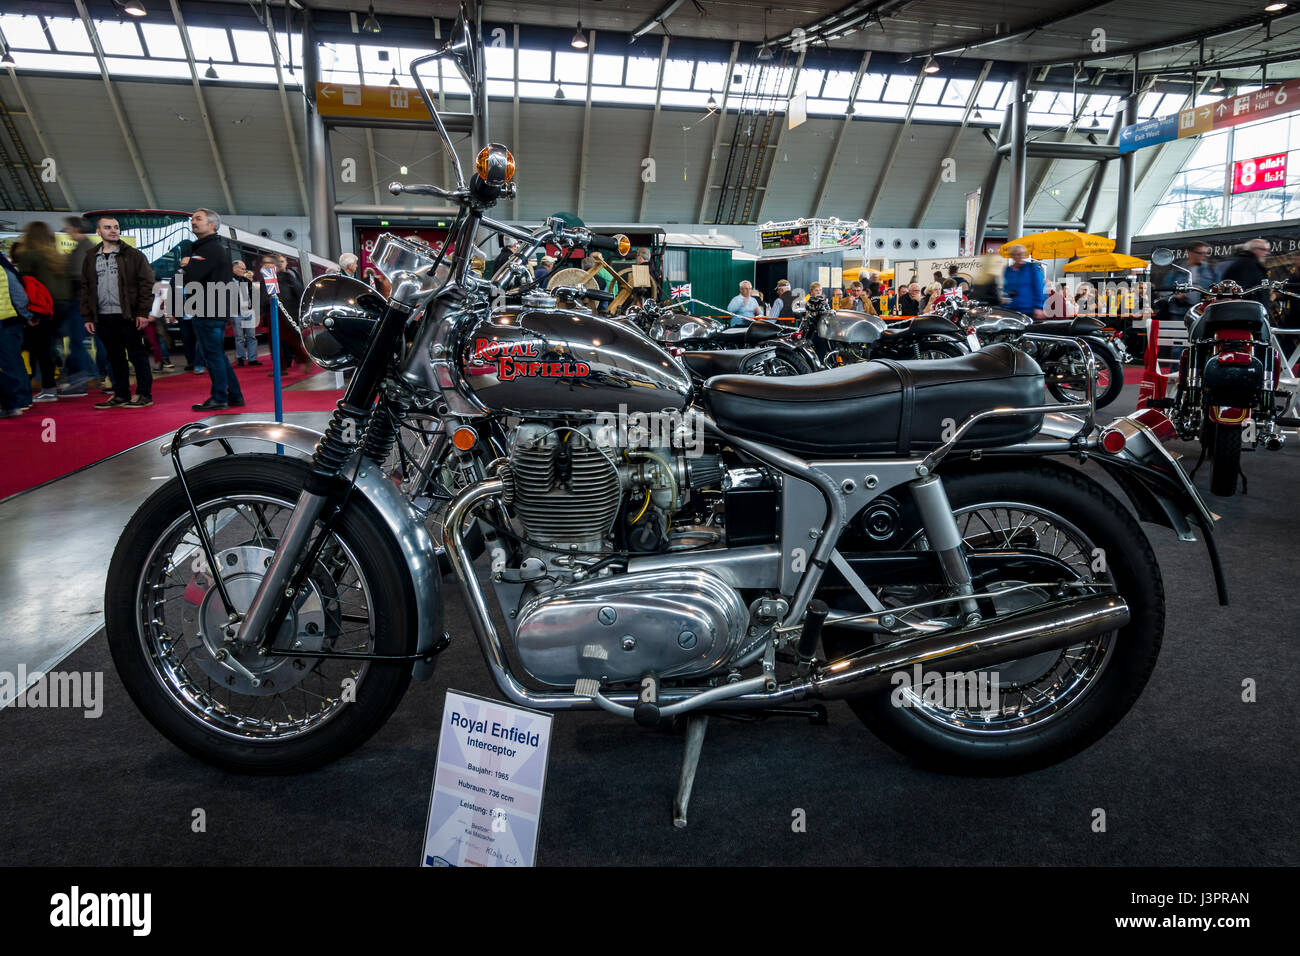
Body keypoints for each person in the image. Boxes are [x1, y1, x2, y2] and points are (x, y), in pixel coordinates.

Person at [81, 216, 155, 408]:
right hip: (103, 316)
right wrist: (88, 316)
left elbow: (147, 284)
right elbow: (86, 287)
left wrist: (143, 312)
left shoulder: (133, 255)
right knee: (114, 357)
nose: (113, 230)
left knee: (137, 355)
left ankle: (144, 394)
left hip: (128, 315)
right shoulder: (90, 257)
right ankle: (121, 394)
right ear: (98, 231)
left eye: (116, 227)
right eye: (107, 227)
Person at [184, 208, 245, 412]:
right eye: (192, 219)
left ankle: (219, 397)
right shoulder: (213, 248)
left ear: (212, 224)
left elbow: (191, 277)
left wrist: (186, 264)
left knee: (212, 355)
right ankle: (234, 395)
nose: (193, 221)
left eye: (198, 219)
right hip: (213, 307)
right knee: (216, 354)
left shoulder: (208, 249)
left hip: (208, 308)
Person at [13, 222, 66, 402]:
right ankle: (49, 386)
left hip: (39, 307)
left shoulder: (28, 255)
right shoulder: (56, 256)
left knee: (36, 349)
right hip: (57, 307)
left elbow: (25, 285)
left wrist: (28, 313)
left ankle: (44, 388)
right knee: (46, 348)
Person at [56, 216, 98, 396]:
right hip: (85, 302)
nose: (66, 232)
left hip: (80, 302)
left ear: (75, 229)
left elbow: (80, 278)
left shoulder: (83, 250)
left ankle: (79, 380)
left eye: (68, 228)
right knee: (81, 341)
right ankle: (91, 374)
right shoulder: (87, 247)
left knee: (76, 342)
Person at [0, 250, 33, 417]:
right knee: (13, 362)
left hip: (6, 322)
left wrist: (26, 316)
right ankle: (20, 400)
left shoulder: (3, 269)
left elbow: (19, 296)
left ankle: (17, 401)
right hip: (10, 321)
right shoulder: (5, 267)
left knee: (10, 363)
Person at [1167, 241, 1216, 330]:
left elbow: (1217, 289)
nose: (1203, 256)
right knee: (1179, 338)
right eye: (1200, 253)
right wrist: (1175, 295)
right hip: (1180, 313)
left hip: (1202, 312)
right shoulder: (1176, 270)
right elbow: (1164, 290)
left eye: (1206, 253)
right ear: (1190, 253)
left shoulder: (1211, 270)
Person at [1219, 238, 1270, 306]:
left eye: (1267, 250)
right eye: (1263, 249)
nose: (1267, 253)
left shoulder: (1251, 264)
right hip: (1248, 310)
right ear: (1254, 249)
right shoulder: (1246, 265)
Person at [1002, 244, 1046, 318]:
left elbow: (1040, 288)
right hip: (1010, 309)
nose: (1021, 256)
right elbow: (1005, 288)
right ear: (1012, 256)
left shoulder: (1032, 268)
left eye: (1023, 254)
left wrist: (1039, 307)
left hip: (1029, 310)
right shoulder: (1007, 270)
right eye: (1018, 254)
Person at [231, 260, 260, 366]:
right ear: (235, 269)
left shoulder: (246, 281)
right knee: (239, 337)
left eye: (244, 269)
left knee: (251, 336)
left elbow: (252, 296)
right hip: (236, 312)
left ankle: (252, 359)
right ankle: (240, 358)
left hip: (248, 311)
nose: (244, 271)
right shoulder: (227, 281)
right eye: (242, 269)